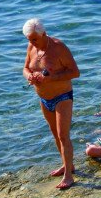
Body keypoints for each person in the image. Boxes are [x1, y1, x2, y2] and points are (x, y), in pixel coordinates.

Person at [22, 18, 80, 189]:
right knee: (55, 135)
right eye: (29, 40)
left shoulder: (58, 47)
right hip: (44, 98)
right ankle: (66, 164)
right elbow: (25, 68)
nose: (32, 42)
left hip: (62, 96)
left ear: (44, 34)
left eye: (34, 39)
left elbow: (75, 72)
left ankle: (69, 176)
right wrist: (30, 77)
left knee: (63, 135)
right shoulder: (32, 47)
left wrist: (49, 78)